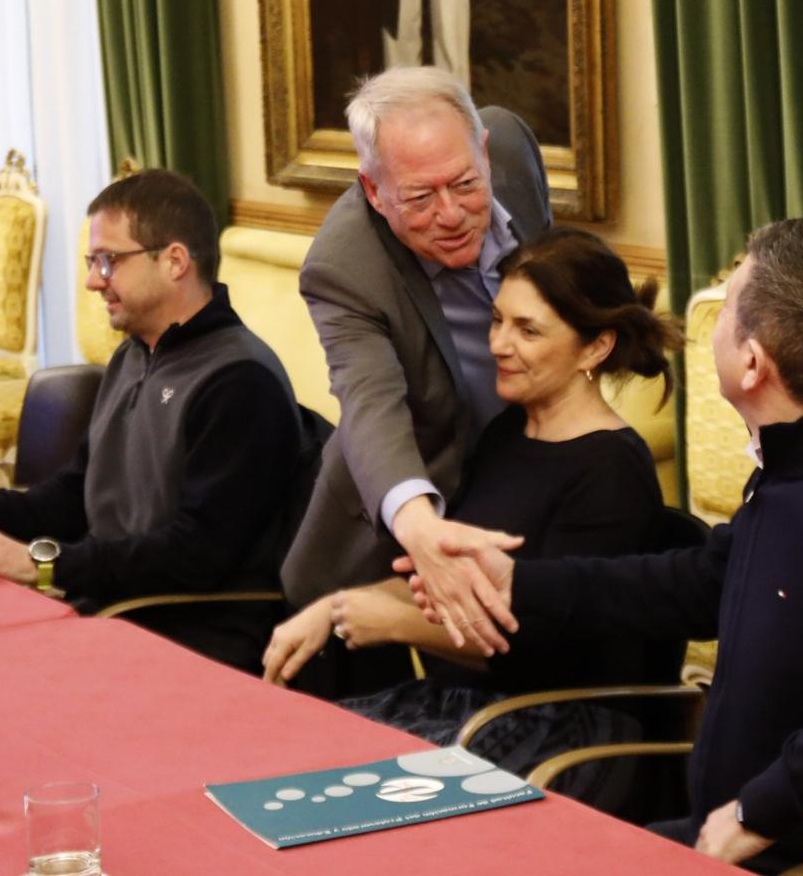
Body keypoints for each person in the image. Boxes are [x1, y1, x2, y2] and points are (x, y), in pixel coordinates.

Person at [407, 218, 803, 872]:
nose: (709, 329)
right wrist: (516, 582)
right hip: (734, 841)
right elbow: (701, 583)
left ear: (752, 361)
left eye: (725, 314)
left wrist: (763, 807)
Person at [264, 230, 682, 786]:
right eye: (497, 321)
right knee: (282, 755)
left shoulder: (612, 470)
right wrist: (339, 605)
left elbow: (544, 650)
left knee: (322, 785)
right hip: (473, 706)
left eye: (527, 330)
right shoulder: (508, 431)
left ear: (595, 348)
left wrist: (396, 625)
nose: (499, 345)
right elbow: (446, 576)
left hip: (559, 726)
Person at [280, 65, 552, 657]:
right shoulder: (344, 266)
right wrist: (419, 526)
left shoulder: (509, 146)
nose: (452, 214)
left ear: (482, 151)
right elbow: (370, 404)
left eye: (464, 184)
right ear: (375, 191)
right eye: (421, 197)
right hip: (384, 552)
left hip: (515, 497)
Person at [0, 169, 302, 671]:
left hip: (188, 632)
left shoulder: (240, 382)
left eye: (107, 261)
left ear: (174, 261)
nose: (91, 282)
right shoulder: (133, 356)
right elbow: (77, 494)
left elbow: (195, 557)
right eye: (92, 262)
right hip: (111, 604)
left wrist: (42, 565)